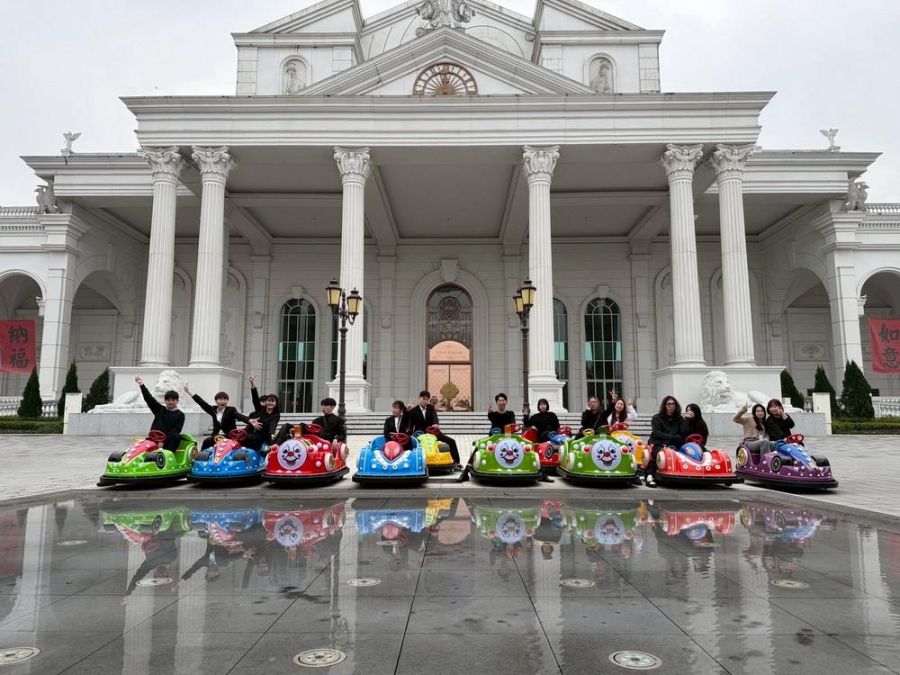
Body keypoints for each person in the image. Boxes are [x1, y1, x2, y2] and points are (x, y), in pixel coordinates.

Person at [184, 384, 260, 450]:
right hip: (216, 436)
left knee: (246, 441)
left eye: (225, 399)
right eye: (220, 399)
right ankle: (202, 459)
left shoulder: (231, 410)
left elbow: (239, 416)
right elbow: (201, 402)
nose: (223, 401)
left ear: (227, 401)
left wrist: (249, 420)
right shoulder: (212, 410)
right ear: (216, 401)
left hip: (229, 436)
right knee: (207, 441)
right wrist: (189, 392)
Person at [407, 390, 460, 466]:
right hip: (419, 434)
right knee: (409, 444)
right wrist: (407, 412)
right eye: (423, 399)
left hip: (433, 432)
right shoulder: (413, 411)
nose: (425, 401)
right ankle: (410, 464)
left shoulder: (431, 408)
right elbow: (409, 425)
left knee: (451, 441)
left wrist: (436, 424)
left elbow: (435, 418)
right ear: (419, 398)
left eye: (427, 399)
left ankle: (456, 462)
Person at [644, 395, 687, 487]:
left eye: (673, 404)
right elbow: (657, 433)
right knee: (657, 453)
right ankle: (649, 476)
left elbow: (683, 433)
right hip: (658, 441)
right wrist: (671, 437)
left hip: (674, 442)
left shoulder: (679, 419)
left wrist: (687, 420)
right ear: (664, 406)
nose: (671, 406)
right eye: (668, 404)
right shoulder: (657, 418)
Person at [134, 375, 184, 451]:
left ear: (177, 401)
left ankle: (166, 456)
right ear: (165, 401)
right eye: (168, 400)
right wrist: (141, 384)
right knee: (139, 444)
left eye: (173, 400)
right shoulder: (159, 409)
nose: (170, 402)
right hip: (153, 438)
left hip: (168, 441)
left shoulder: (180, 415)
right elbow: (149, 399)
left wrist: (163, 441)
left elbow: (175, 431)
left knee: (176, 437)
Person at [244, 373, 280, 451]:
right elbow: (255, 398)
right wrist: (252, 382)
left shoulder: (276, 415)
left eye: (273, 401)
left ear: (276, 404)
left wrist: (272, 433)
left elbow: (273, 424)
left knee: (252, 438)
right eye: (268, 401)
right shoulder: (260, 409)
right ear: (266, 402)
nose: (270, 403)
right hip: (254, 434)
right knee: (245, 437)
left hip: (265, 436)